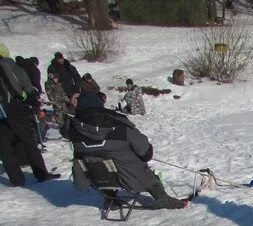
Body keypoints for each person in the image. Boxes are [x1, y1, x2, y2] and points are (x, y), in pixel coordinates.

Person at [65, 92, 189, 209]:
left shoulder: (73, 131)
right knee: (152, 179)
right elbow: (146, 153)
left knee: (99, 167)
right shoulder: (120, 127)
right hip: (131, 179)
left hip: (96, 181)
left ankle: (111, 199)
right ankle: (162, 197)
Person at [0, 43, 59, 186]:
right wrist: (26, 97)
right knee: (28, 141)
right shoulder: (6, 64)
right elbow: (15, 85)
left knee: (4, 147)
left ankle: (16, 180)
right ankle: (41, 174)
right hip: (13, 107)